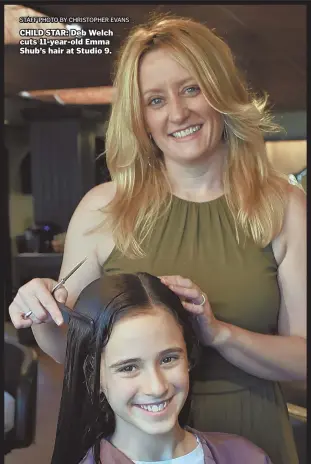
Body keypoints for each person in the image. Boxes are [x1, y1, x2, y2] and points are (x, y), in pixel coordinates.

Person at [9, 15, 306, 464]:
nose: (178, 113)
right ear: (141, 117)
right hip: (135, 438)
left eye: (192, 88)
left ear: (222, 93)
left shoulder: (283, 206)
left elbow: (304, 360)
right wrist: (41, 311)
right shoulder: (103, 209)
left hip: (252, 430)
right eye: (155, 100)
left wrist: (220, 333)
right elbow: (77, 350)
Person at [52, 272, 272, 464]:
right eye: (129, 368)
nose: (156, 387)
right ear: (94, 377)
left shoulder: (246, 458)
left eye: (168, 359)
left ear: (189, 355)